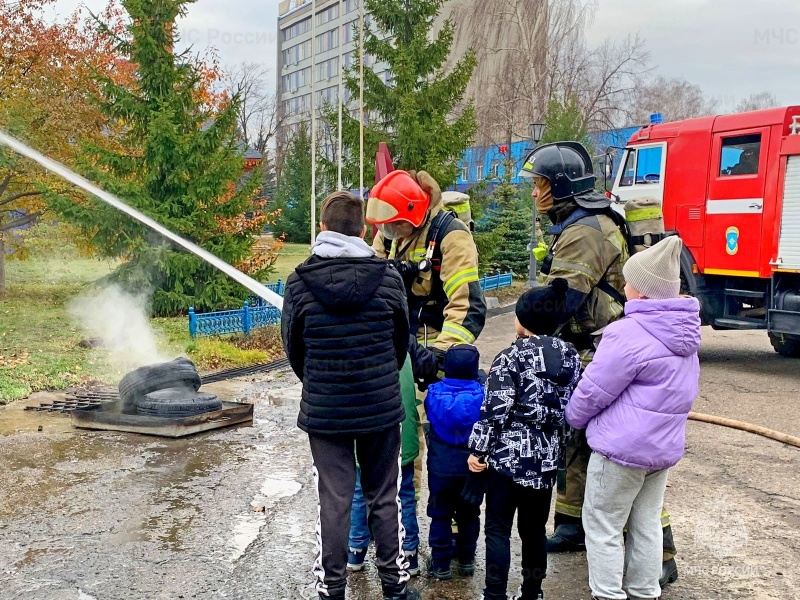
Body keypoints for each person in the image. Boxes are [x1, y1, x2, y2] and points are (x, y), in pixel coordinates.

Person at [281, 191, 419, 600]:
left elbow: (294, 348)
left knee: (335, 499)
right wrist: (378, 379)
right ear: (364, 230)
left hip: (326, 411)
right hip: (380, 406)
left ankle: (333, 588)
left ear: (323, 228)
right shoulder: (389, 277)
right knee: (384, 494)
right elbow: (400, 342)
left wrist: (320, 382)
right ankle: (395, 586)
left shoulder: (299, 281)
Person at [565, 237, 701, 600]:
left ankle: (607, 594)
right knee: (646, 525)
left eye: (628, 281)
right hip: (660, 452)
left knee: (603, 525)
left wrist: (572, 417)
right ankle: (644, 591)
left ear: (640, 292)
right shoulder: (685, 339)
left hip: (620, 452)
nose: (623, 285)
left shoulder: (626, 333)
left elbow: (595, 389)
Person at [367, 169, 487, 490]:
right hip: (400, 342)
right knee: (402, 434)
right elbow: (373, 280)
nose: (390, 232)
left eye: (395, 225)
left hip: (437, 340)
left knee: (443, 435)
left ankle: (449, 518)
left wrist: (438, 356)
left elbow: (468, 307)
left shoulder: (451, 236)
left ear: (413, 212)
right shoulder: (390, 230)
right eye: (385, 227)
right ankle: (405, 516)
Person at [468, 279, 582, 600]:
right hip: (545, 463)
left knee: (498, 530)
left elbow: (494, 410)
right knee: (534, 532)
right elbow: (578, 404)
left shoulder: (509, 358)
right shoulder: (570, 357)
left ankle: (494, 594)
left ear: (524, 321)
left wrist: (479, 450)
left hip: (507, 463)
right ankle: (532, 592)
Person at [348, 354, 420, 575]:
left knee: (359, 494)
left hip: (365, 436)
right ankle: (409, 554)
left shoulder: (358, 354)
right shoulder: (403, 354)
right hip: (402, 439)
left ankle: (355, 551)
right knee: (404, 495)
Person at [423, 344, 484, 580]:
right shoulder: (482, 394)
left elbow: (429, 413)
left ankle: (440, 564)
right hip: (471, 469)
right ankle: (467, 560)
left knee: (440, 515)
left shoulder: (434, 393)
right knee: (469, 515)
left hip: (441, 469)